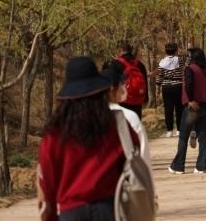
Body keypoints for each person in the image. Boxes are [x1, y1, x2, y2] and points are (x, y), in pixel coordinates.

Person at [37, 56, 136, 221]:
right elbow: (133, 156)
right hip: (109, 209)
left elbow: (47, 180)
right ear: (99, 91)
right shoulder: (115, 124)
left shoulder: (54, 133)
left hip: (71, 212)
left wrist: (51, 216)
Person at [170, 48, 206, 174]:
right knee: (202, 136)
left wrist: (191, 100)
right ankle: (202, 166)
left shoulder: (190, 69)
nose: (187, 58)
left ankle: (178, 166)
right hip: (204, 106)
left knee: (183, 136)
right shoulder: (205, 70)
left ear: (193, 57)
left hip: (192, 106)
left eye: (189, 56)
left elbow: (188, 85)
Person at [103, 60, 152, 164]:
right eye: (122, 84)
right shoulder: (129, 116)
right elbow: (143, 155)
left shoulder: (89, 117)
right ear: (112, 89)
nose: (124, 87)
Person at [114, 41, 148, 118]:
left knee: (123, 123)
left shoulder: (117, 63)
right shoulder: (140, 64)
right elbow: (144, 82)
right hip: (137, 100)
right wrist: (145, 98)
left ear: (121, 50)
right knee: (135, 122)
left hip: (122, 100)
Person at [156, 42, 184, 137]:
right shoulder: (180, 60)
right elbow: (183, 70)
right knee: (179, 108)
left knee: (168, 109)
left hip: (166, 86)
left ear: (166, 51)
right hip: (178, 86)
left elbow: (160, 75)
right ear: (176, 50)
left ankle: (169, 130)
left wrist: (158, 87)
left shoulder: (162, 61)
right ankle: (179, 129)